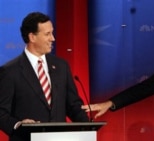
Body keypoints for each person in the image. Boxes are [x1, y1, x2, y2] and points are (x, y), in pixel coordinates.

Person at [0, 12, 89, 141]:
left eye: (52, 33)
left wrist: (88, 128)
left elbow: (73, 105)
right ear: (32, 37)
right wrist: (19, 125)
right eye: (47, 34)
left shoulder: (61, 66)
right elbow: (1, 112)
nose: (53, 38)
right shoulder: (10, 71)